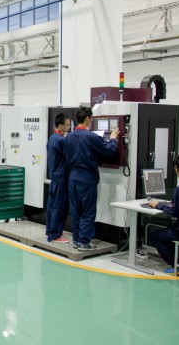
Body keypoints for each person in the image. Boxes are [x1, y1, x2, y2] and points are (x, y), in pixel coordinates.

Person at [64, 106, 119, 251]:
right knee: (87, 211)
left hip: (72, 178)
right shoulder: (91, 137)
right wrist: (113, 139)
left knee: (75, 210)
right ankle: (84, 242)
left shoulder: (69, 137)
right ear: (88, 118)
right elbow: (109, 150)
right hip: (86, 178)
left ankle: (77, 239)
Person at [46, 114, 71, 243]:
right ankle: (55, 235)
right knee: (59, 207)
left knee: (52, 206)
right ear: (60, 125)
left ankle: (50, 230)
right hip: (61, 178)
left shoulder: (52, 138)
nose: (69, 127)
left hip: (54, 177)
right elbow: (69, 158)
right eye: (67, 125)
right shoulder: (61, 140)